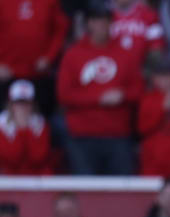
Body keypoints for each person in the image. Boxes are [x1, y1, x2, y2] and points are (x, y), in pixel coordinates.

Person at [57, 2, 143, 176]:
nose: (102, 25)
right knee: (86, 192)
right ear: (88, 24)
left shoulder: (125, 53)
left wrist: (123, 95)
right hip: (82, 136)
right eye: (97, 21)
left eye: (105, 21)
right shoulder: (73, 54)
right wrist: (99, 98)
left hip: (118, 135)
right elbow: (64, 94)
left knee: (121, 192)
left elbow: (139, 90)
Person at [0, 0, 68, 117]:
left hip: (39, 74)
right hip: (6, 74)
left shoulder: (50, 2)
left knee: (40, 122)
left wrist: (49, 57)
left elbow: (60, 29)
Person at [0, 80, 53, 175]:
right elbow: (12, 159)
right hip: (9, 178)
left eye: (26, 103)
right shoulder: (2, 124)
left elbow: (38, 158)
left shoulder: (40, 124)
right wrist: (20, 128)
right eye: (18, 102)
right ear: (11, 104)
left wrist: (25, 129)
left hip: (37, 179)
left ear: (32, 104)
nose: (22, 107)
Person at [110, 0, 165, 66]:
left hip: (141, 69)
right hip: (112, 68)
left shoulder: (149, 14)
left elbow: (156, 47)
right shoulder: (103, 16)